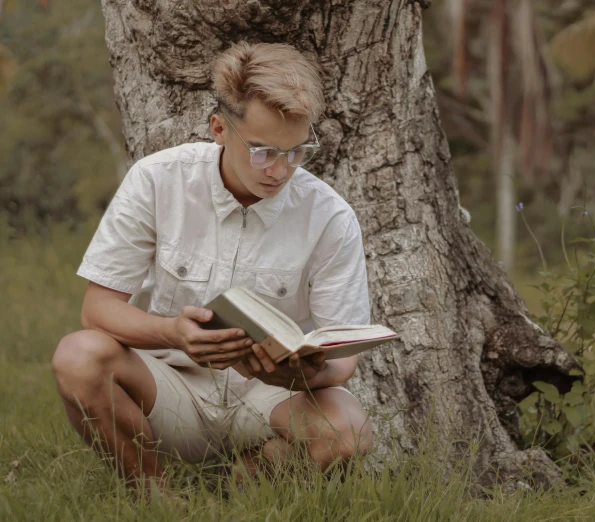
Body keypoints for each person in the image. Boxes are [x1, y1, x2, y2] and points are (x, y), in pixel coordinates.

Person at [51, 41, 373, 496]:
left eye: (297, 151)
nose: (280, 171)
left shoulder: (330, 216)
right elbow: (97, 310)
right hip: (168, 388)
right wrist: (173, 333)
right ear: (219, 128)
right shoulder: (158, 179)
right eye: (263, 152)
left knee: (348, 431)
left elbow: (344, 358)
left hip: (266, 398)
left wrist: (301, 374)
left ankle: (236, 489)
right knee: (78, 356)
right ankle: (155, 497)